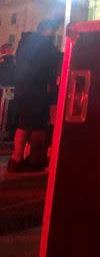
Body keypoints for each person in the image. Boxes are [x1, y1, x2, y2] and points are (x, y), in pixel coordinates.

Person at [7, 21, 60, 173]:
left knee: (24, 124)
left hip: (24, 88)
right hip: (38, 89)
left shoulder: (25, 43)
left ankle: (16, 158)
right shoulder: (46, 46)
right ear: (48, 30)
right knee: (37, 125)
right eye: (54, 30)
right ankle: (34, 159)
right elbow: (47, 66)